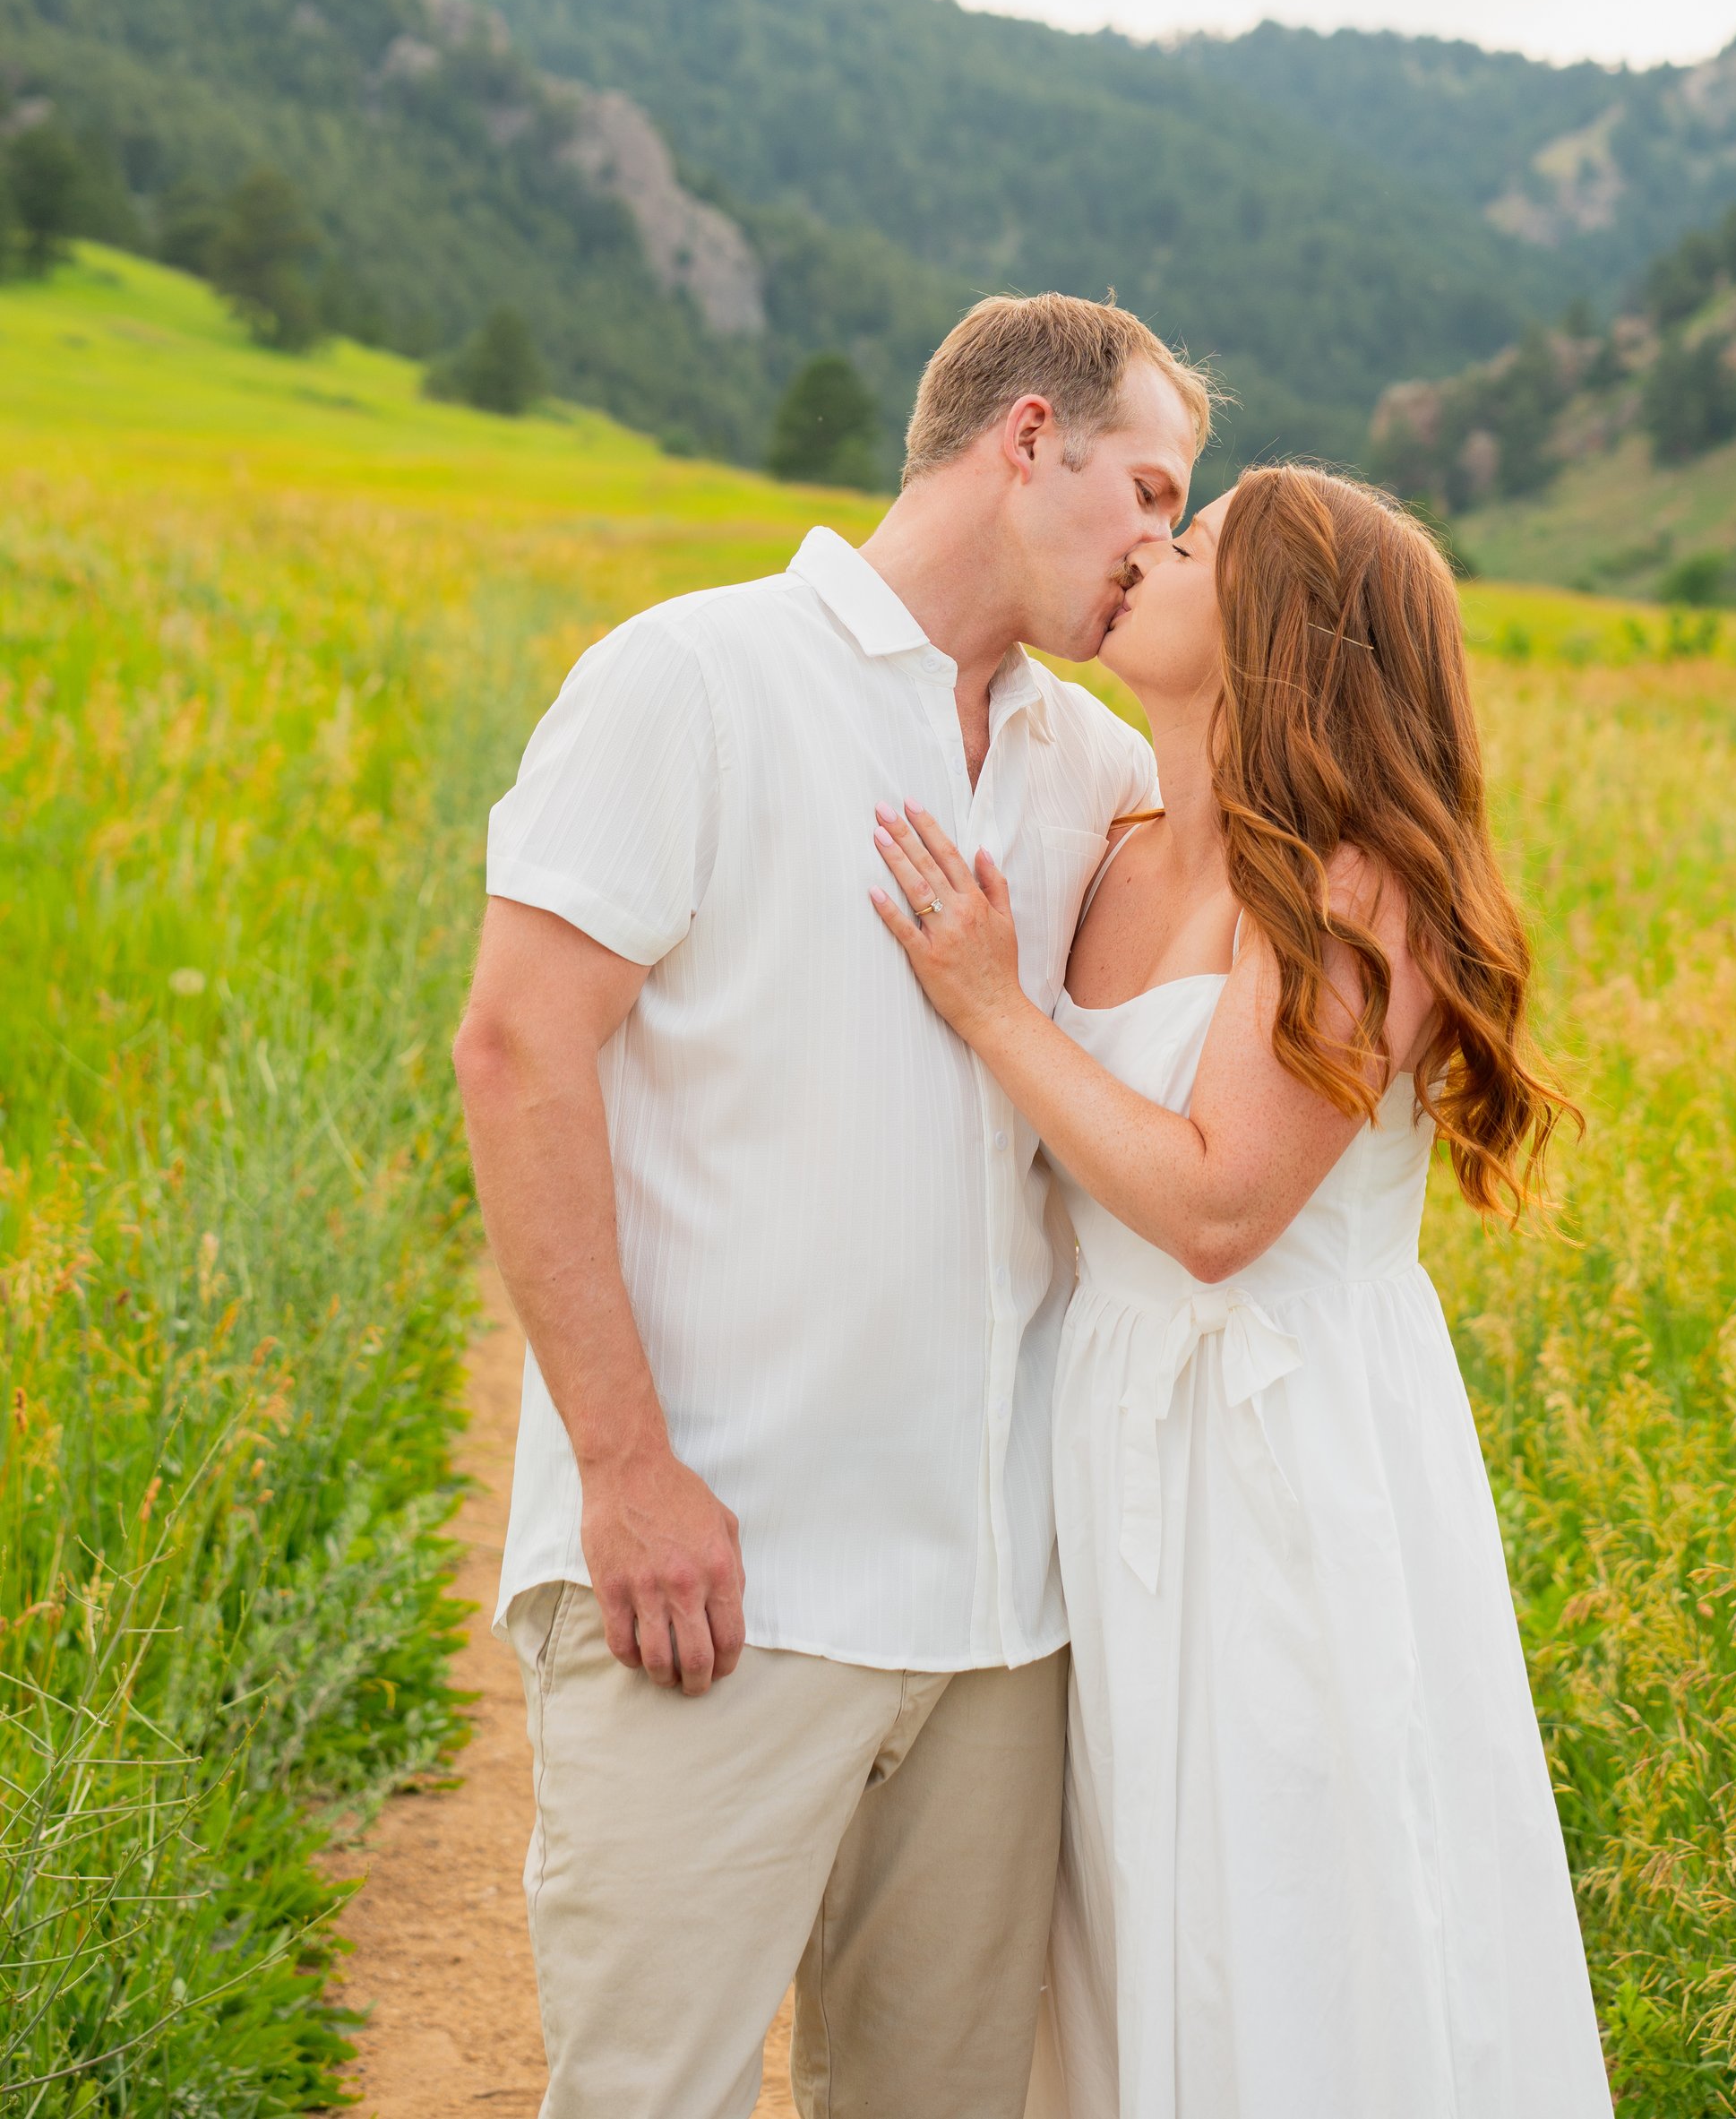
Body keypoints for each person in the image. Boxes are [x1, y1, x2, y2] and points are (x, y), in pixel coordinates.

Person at [451, 293, 1212, 2119]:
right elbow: (515, 1052)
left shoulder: (1091, 771)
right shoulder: (690, 678)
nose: (1159, 548)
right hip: (713, 1581)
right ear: (1025, 437)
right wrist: (626, 1471)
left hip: (995, 1627)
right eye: (1150, 487)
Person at [872, 466, 1614, 2119]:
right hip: (1107, 1428)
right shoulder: (1120, 848)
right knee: (1127, 1903)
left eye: (1191, 542)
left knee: (1290, 1898)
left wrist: (999, 1014)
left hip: (1282, 1460)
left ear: (1276, 629)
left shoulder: (1359, 891)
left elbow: (1219, 1206)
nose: (1148, 548)